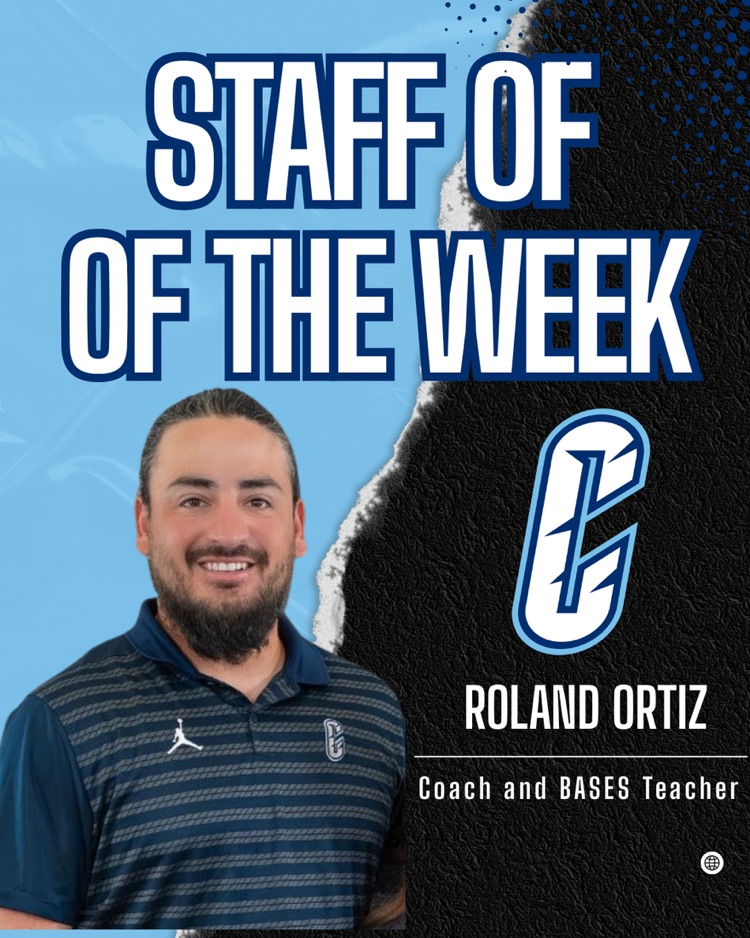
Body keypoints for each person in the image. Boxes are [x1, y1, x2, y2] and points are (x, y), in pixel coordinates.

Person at [0, 389, 404, 930]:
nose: (227, 533)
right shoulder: (59, 723)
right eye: (193, 500)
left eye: (257, 500)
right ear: (144, 523)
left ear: (298, 527)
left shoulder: (375, 711)